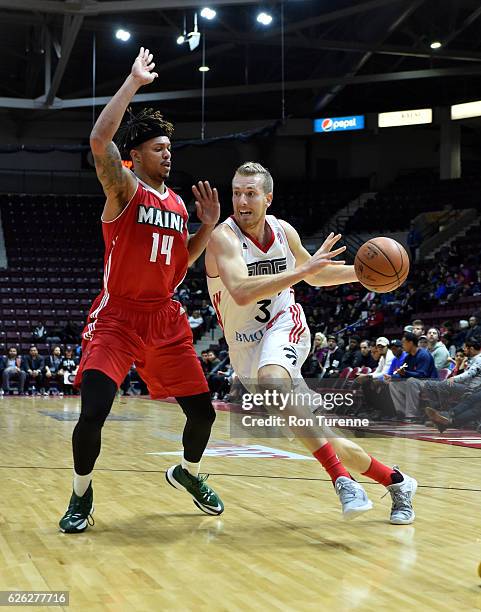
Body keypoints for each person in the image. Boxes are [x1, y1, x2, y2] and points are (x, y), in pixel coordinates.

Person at [59, 47, 223, 534]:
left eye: (170, 147)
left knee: (204, 414)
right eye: (158, 146)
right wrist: (132, 81)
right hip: (117, 317)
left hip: (164, 318)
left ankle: (188, 474)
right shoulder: (124, 188)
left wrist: (208, 227)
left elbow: (179, 266)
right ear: (135, 156)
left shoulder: (175, 202)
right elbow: (97, 138)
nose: (168, 152)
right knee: (94, 413)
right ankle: (81, 494)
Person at [205, 161, 417, 524]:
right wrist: (302, 271)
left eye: (250, 193)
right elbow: (240, 291)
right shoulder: (222, 238)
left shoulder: (283, 232)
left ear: (267, 198)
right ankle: (397, 482)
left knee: (273, 382)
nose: (242, 200)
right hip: (244, 348)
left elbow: (314, 276)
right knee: (325, 438)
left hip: (283, 324)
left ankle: (343, 483)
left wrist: (361, 274)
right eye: (237, 192)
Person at [388, 331, 438, 422]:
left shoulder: (424, 355)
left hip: (430, 383)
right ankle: (401, 412)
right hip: (416, 383)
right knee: (393, 384)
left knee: (411, 381)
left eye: (404, 343)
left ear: (410, 343)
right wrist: (392, 377)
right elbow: (402, 373)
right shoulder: (408, 357)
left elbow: (423, 374)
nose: (402, 346)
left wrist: (405, 373)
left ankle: (412, 415)